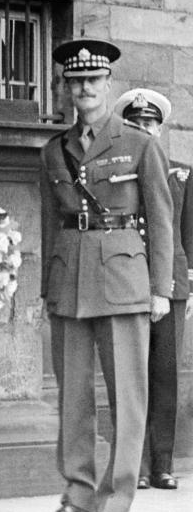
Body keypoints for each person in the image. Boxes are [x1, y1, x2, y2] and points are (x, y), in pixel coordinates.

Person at [36, 39, 173, 512]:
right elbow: (52, 223)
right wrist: (47, 289)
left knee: (127, 396)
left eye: (93, 80)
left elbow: (161, 218)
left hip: (122, 278)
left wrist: (162, 287)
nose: (84, 89)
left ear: (107, 84)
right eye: (75, 81)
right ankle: (76, 497)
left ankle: (116, 500)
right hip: (70, 281)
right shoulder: (56, 151)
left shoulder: (139, 143)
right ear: (66, 88)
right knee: (73, 395)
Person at [113, 88, 192, 491]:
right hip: (128, 281)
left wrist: (188, 282)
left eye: (150, 123)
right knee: (132, 374)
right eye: (136, 123)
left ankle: (162, 463)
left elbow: (186, 231)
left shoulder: (180, 172)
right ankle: (137, 464)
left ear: (160, 128)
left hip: (172, 285)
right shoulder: (118, 169)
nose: (144, 129)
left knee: (164, 375)